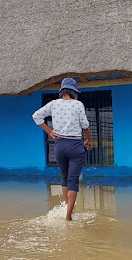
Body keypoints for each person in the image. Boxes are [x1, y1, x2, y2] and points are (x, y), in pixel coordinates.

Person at [32, 78, 93, 221]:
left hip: (59, 146)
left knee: (65, 178)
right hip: (75, 145)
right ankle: (69, 216)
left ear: (62, 92)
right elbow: (85, 125)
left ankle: (68, 210)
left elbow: (36, 116)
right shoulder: (78, 105)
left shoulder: (53, 104)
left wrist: (49, 131)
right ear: (74, 92)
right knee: (73, 179)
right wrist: (89, 140)